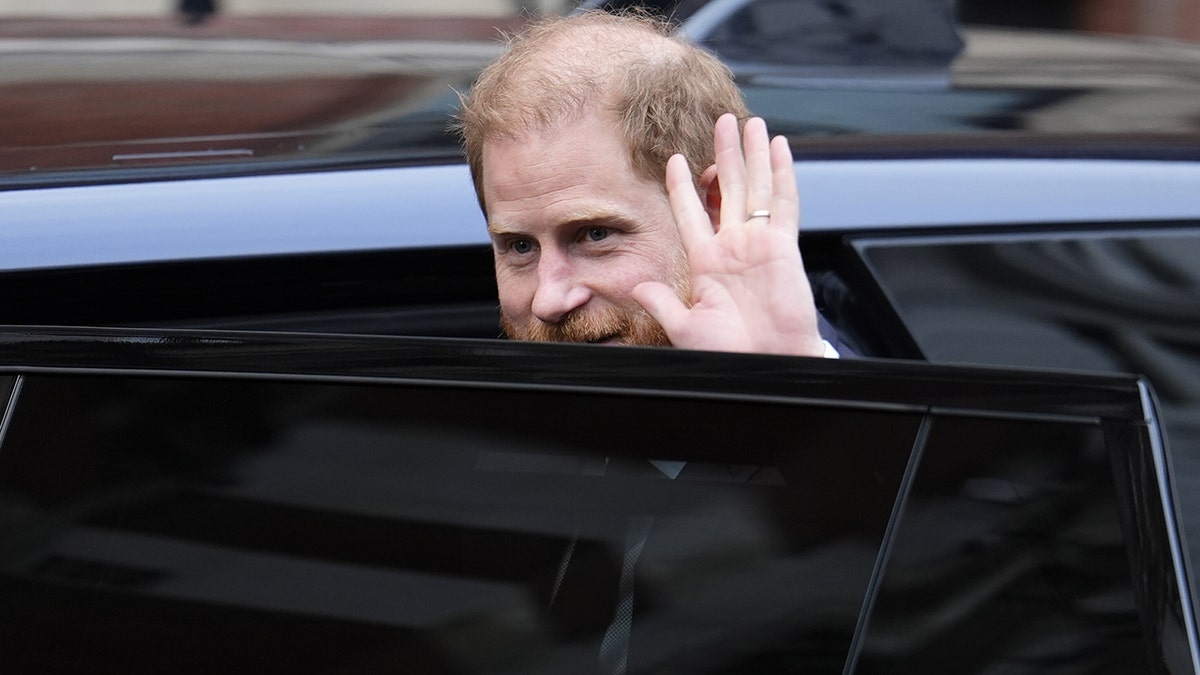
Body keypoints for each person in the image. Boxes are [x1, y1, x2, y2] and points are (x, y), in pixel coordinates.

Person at [455, 10, 836, 358]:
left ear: (715, 207)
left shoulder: (875, 428)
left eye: (596, 234)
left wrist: (790, 386)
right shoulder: (461, 426)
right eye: (520, 247)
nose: (549, 301)